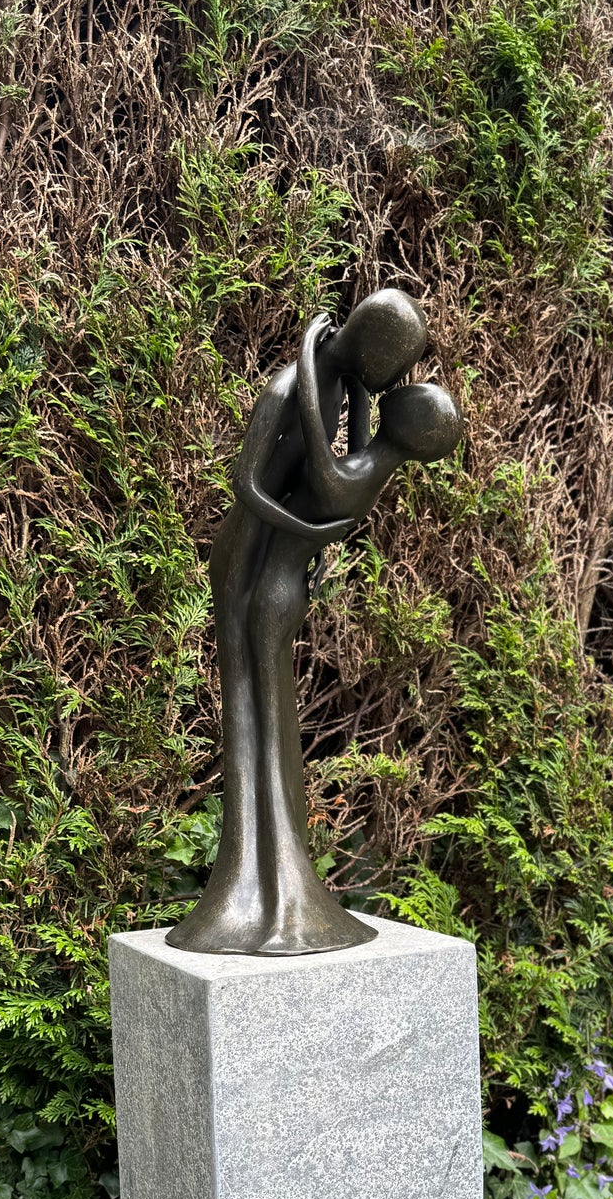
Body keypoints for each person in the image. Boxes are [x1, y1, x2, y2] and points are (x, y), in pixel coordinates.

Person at [167, 291, 460, 955]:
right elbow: (250, 485)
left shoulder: (345, 444)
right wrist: (326, 370)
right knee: (259, 711)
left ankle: (280, 893)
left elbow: (324, 474)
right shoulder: (316, 403)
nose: (390, 384)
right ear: (371, 347)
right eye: (394, 365)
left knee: (267, 714)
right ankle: (264, 885)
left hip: (277, 582)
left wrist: (310, 346)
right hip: (256, 574)